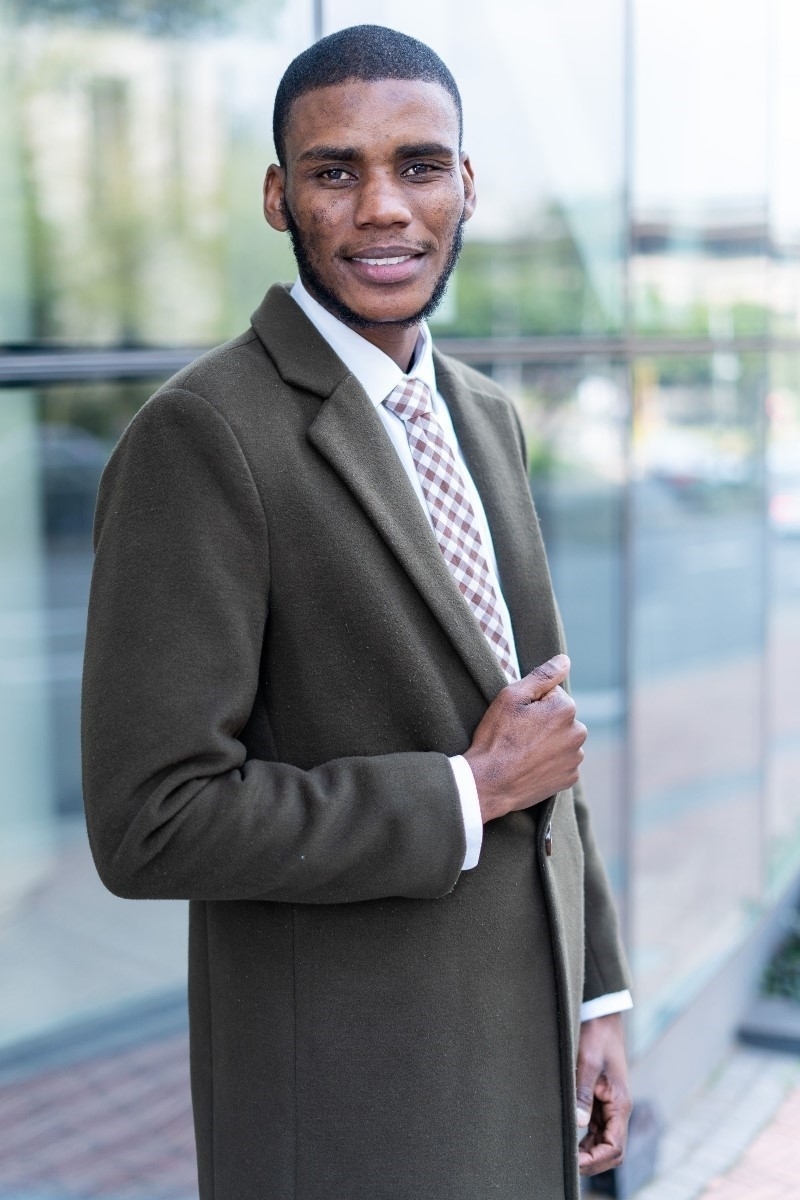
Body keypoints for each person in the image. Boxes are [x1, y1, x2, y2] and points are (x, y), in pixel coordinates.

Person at [81, 24, 633, 1200]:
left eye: (418, 165)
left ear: (465, 183)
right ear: (278, 197)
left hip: (520, 1054)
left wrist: (597, 991)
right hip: (349, 1103)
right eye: (335, 171)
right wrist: (463, 792)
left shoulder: (483, 414)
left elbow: (539, 730)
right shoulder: (201, 436)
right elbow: (151, 822)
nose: (382, 206)